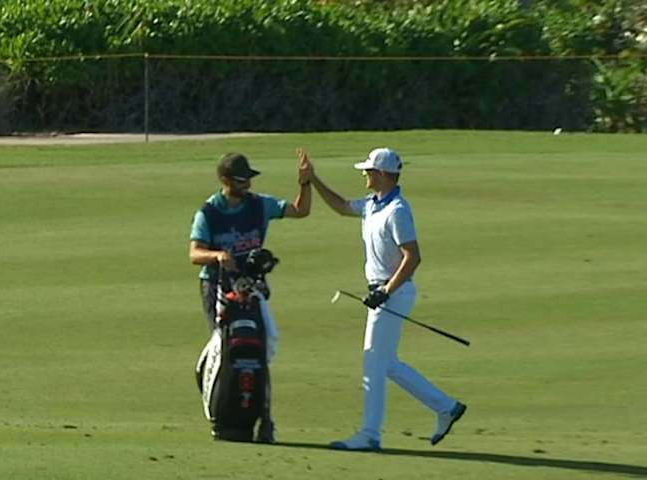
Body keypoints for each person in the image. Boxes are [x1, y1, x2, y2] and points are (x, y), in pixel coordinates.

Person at [304, 147, 466, 451]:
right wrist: (313, 180)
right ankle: (446, 407)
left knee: (372, 363)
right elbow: (340, 206)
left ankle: (370, 434)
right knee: (387, 364)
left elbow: (413, 257)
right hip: (384, 294)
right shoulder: (372, 205)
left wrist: (385, 292)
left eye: (368, 170)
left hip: (393, 293)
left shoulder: (398, 211)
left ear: (380, 174)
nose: (364, 174)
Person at [189, 151, 312, 442]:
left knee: (264, 347)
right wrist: (217, 255)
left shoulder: (259, 205)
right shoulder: (209, 212)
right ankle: (221, 408)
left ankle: (265, 421)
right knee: (226, 347)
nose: (247, 186)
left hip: (252, 286)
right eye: (241, 180)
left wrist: (305, 184)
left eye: (248, 180)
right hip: (216, 286)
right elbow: (194, 253)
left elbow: (299, 210)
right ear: (225, 180)